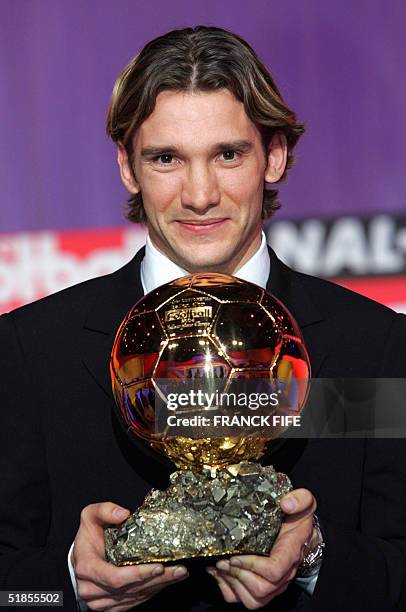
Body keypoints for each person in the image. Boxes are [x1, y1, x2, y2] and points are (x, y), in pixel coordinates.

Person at [1, 25, 406, 612]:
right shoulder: (32, 350)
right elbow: (12, 592)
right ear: (127, 167)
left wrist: (315, 559)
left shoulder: (372, 346)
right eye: (166, 158)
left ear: (274, 155)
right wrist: (66, 586)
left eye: (228, 154)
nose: (199, 194)